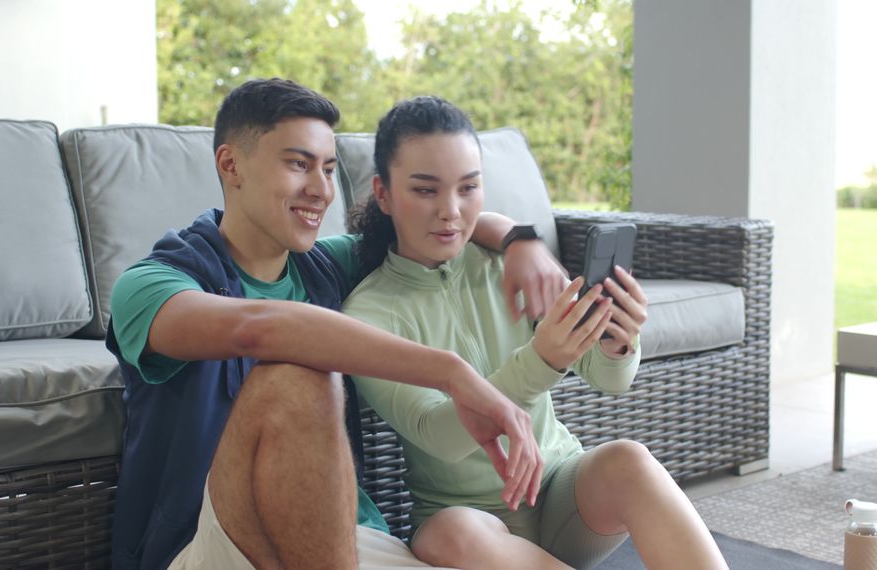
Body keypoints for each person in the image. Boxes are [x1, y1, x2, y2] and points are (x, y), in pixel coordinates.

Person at [105, 78, 569, 569]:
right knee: (299, 376)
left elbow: (434, 224)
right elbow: (260, 328)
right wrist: (451, 373)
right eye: (298, 164)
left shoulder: (326, 267)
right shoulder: (150, 286)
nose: (321, 190)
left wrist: (522, 241)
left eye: (328, 168)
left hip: (351, 540)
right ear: (230, 164)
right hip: (212, 546)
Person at [343, 96, 729, 570]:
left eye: (468, 188)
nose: (451, 211)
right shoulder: (368, 314)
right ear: (383, 194)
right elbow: (438, 435)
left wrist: (617, 342)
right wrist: (541, 362)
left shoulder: (508, 263)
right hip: (474, 525)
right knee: (450, 534)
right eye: (426, 190)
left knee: (630, 460)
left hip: (563, 494)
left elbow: (610, 380)